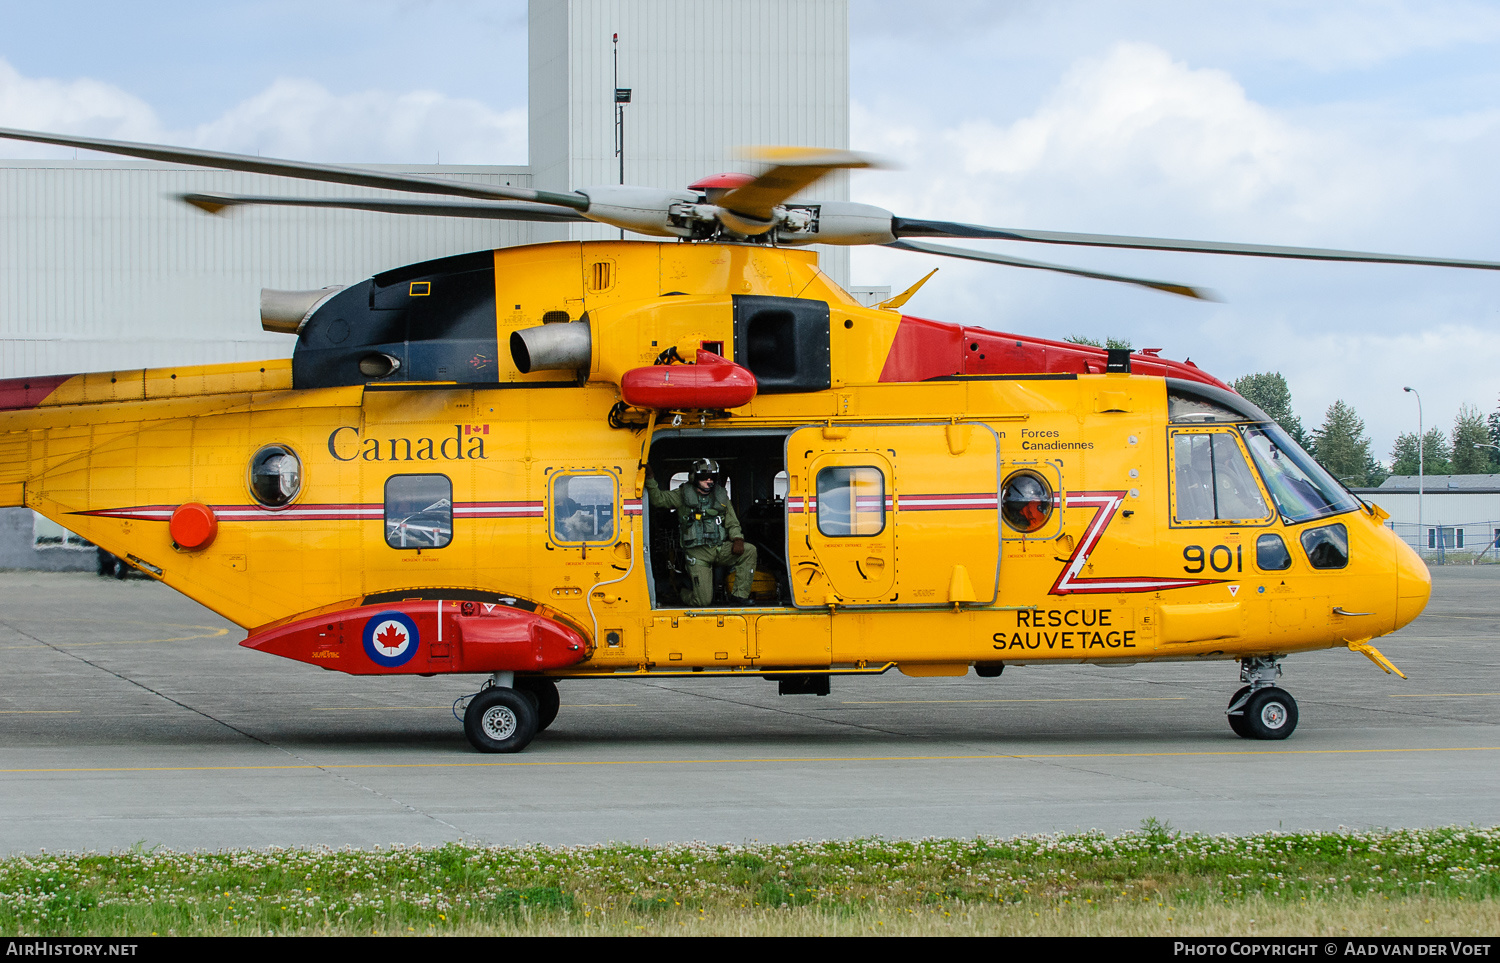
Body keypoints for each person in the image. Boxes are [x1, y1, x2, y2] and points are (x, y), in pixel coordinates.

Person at [644, 458, 758, 606]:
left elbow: (732, 522)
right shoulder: (682, 494)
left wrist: (737, 539)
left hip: (719, 548)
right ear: (694, 477)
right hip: (697, 554)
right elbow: (659, 500)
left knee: (749, 551)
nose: (709, 480)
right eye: (704, 477)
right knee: (703, 601)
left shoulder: (721, 496)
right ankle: (681, 592)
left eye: (713, 477)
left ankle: (739, 596)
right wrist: (650, 479)